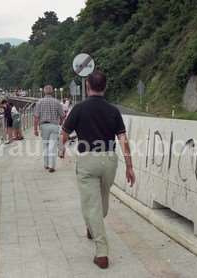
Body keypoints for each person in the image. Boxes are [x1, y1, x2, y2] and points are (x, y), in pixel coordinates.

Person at [59, 70, 135, 269]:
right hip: (109, 159)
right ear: (106, 87)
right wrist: (129, 166)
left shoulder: (79, 109)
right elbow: (123, 140)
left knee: (92, 205)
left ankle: (102, 253)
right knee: (101, 202)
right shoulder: (113, 111)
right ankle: (93, 228)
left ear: (87, 86)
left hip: (87, 159)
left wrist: (62, 149)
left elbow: (64, 133)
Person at [34, 85, 64, 173]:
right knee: (53, 146)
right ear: (52, 92)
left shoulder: (39, 102)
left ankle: (46, 164)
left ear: (44, 92)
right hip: (54, 126)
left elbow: (36, 117)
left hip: (43, 126)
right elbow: (62, 115)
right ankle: (52, 166)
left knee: (45, 146)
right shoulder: (57, 102)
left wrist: (35, 129)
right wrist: (61, 123)